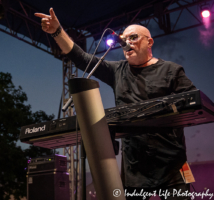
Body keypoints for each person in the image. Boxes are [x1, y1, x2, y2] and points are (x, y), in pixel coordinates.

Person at [35, 8, 196, 200]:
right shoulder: (118, 71)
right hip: (135, 168)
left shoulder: (171, 70)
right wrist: (57, 31)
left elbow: (193, 103)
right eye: (123, 39)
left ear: (149, 42)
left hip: (171, 164)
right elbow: (81, 58)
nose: (126, 43)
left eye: (133, 37)